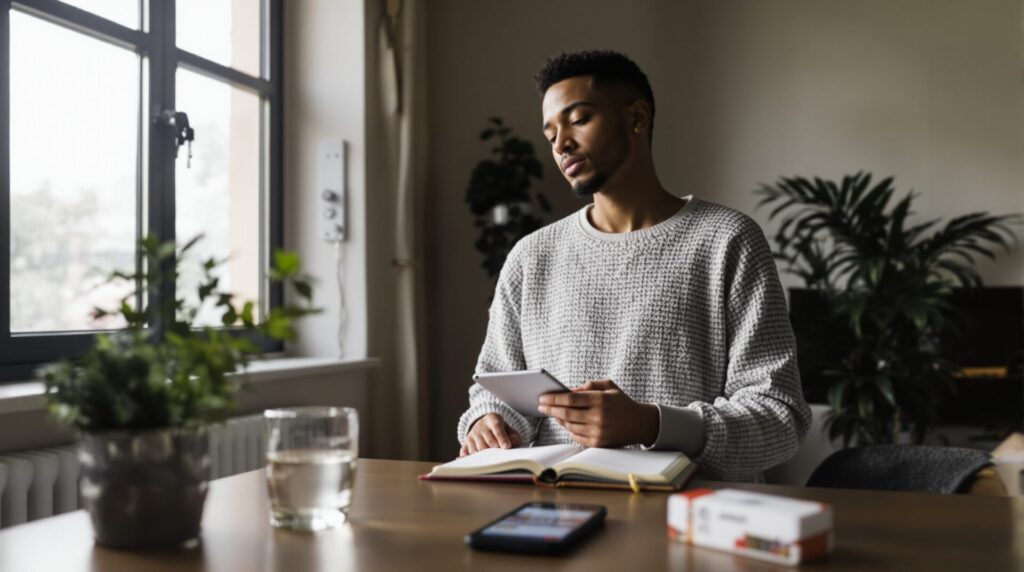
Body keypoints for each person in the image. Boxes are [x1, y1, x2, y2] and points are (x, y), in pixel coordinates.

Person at [456, 50, 810, 481]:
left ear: (637, 117)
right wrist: (487, 422)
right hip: (557, 507)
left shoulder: (727, 240)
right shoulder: (531, 256)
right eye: (550, 135)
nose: (561, 144)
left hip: (691, 511)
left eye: (578, 120)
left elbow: (780, 417)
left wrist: (651, 424)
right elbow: (497, 390)